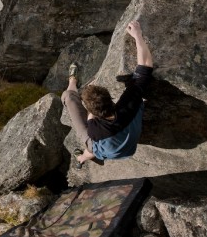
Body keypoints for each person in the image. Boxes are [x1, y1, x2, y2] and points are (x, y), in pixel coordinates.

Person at [61, 20, 154, 167]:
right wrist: (138, 36)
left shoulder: (93, 130)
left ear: (91, 114)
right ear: (111, 99)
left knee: (69, 98)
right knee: (97, 146)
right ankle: (84, 158)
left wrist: (89, 106)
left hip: (106, 149)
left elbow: (91, 119)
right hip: (129, 147)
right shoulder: (129, 104)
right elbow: (146, 65)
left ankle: (72, 82)